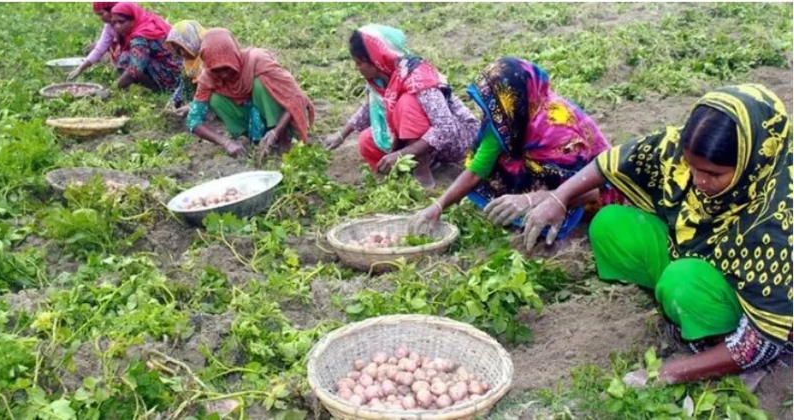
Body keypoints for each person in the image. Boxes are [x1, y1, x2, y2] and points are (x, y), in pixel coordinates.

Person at [521, 84, 792, 388]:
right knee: (611, 224)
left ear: (751, 159)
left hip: (756, 313)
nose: (699, 181)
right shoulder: (680, 150)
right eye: (692, 168)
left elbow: (766, 336)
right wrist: (559, 197)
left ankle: (720, 340)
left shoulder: (780, 214)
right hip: (697, 262)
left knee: (683, 281)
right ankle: (685, 311)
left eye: (714, 174)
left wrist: (669, 373)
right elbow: (618, 161)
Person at [409, 57, 621, 239]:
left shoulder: (560, 129)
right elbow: (477, 170)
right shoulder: (505, 120)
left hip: (593, 196)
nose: (493, 116)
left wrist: (532, 199)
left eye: (499, 106)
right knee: (506, 161)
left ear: (518, 101)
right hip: (550, 186)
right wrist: (437, 206)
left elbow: (593, 188)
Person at [323, 24, 478, 188]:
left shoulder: (417, 76)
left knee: (406, 103)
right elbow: (369, 107)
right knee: (367, 140)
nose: (357, 68)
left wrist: (402, 153)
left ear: (375, 59)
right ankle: (419, 164)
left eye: (359, 62)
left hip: (457, 139)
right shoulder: (381, 78)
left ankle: (422, 173)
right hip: (426, 142)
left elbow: (446, 128)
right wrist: (342, 135)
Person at [186, 28, 315, 158]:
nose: (223, 74)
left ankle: (282, 139)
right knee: (215, 99)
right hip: (251, 119)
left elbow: (296, 96)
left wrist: (276, 131)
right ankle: (255, 139)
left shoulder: (258, 60)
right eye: (216, 70)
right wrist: (226, 142)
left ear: (235, 56)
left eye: (227, 67)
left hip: (280, 120)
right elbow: (193, 121)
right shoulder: (208, 78)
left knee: (260, 83)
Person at [110, 2, 181, 92]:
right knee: (125, 54)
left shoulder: (140, 37)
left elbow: (134, 70)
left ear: (133, 20)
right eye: (114, 23)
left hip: (172, 76)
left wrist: (114, 88)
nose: (117, 27)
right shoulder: (147, 20)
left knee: (125, 58)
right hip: (176, 67)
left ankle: (159, 88)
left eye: (121, 22)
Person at [164, 20, 207, 117]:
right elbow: (182, 86)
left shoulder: (209, 56)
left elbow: (216, 90)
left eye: (183, 47)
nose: (182, 53)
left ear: (192, 40)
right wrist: (173, 102)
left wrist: (192, 106)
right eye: (178, 51)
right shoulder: (189, 63)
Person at [67, 2, 120, 81]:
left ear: (112, 10)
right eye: (98, 15)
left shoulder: (127, 22)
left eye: (102, 14)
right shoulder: (109, 26)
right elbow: (99, 49)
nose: (100, 18)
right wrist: (80, 68)